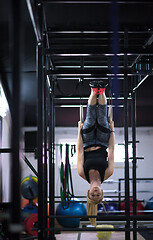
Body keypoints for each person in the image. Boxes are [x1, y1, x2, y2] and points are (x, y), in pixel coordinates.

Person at [77, 80, 115, 226]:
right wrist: (112, 131)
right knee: (102, 117)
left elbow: (80, 152)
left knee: (91, 116)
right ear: (101, 192)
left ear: (88, 193)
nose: (95, 192)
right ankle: (102, 90)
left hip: (86, 141)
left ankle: (94, 90)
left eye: (93, 195)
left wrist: (78, 132)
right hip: (102, 141)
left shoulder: (82, 173)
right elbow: (111, 150)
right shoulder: (108, 173)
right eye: (98, 194)